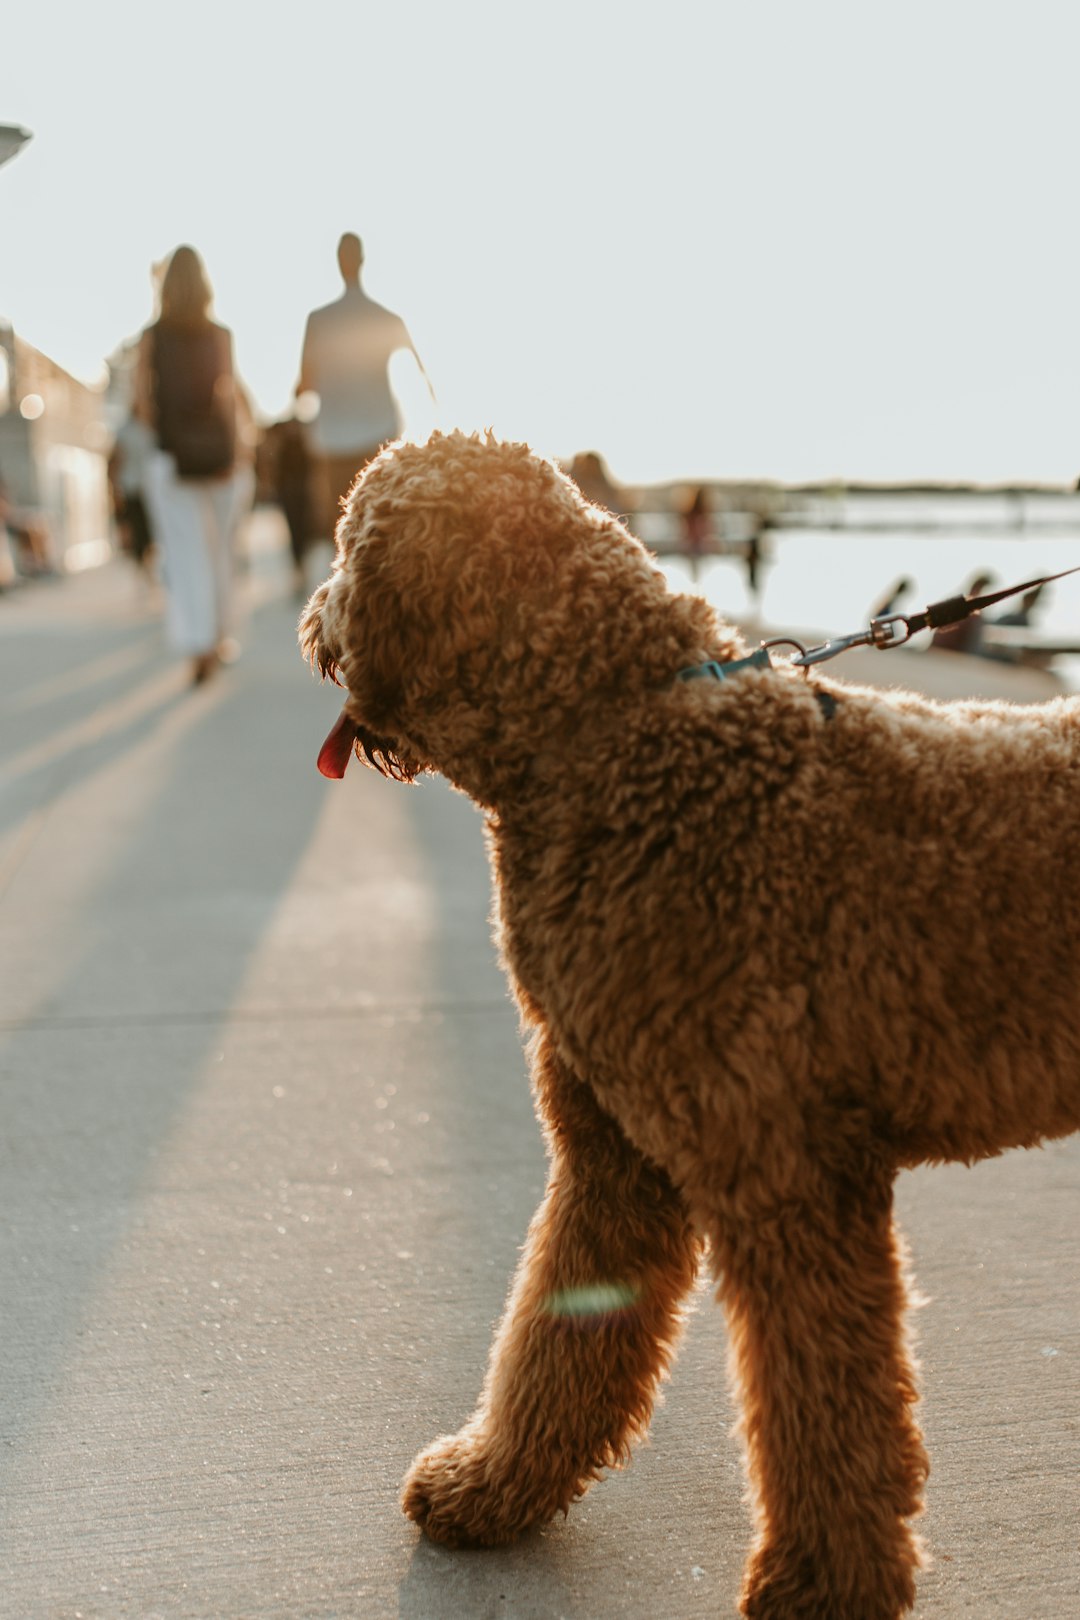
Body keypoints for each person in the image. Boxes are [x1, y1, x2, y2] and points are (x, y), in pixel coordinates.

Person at [134, 244, 249, 684]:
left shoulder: (153, 335)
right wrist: (234, 453)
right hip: (218, 457)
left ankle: (198, 644)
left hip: (171, 458)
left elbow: (143, 401)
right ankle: (221, 637)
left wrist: (166, 434)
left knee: (186, 557)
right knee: (220, 551)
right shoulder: (220, 334)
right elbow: (229, 398)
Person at [297, 232, 433, 547]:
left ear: (337, 263)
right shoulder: (387, 317)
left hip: (333, 440)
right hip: (379, 436)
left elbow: (305, 385)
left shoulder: (318, 320)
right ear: (362, 261)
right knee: (384, 527)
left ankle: (351, 592)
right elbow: (424, 377)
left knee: (343, 534)